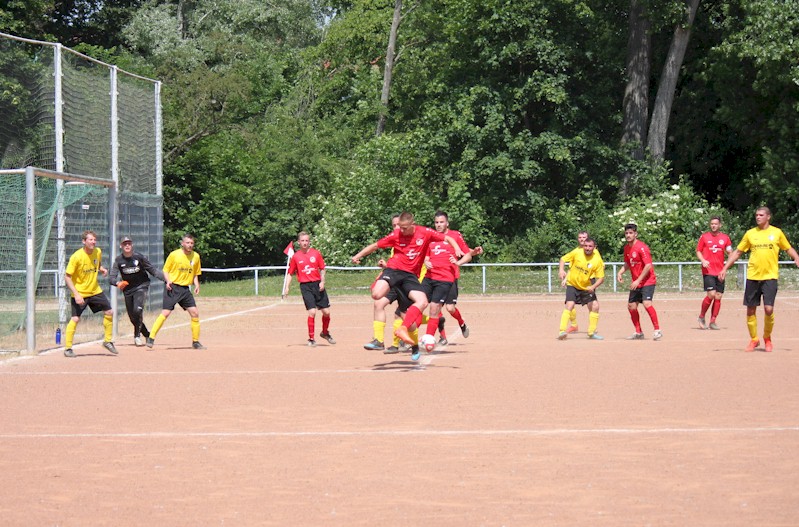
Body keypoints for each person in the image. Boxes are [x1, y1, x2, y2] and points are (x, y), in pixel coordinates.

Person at [352, 211, 463, 361]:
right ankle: (379, 340)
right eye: (398, 227)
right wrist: (358, 256)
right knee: (377, 296)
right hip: (394, 271)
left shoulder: (424, 232)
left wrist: (456, 248)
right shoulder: (396, 235)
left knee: (420, 303)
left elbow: (448, 237)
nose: (400, 230)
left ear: (412, 224)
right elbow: (375, 246)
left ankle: (411, 340)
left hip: (409, 277)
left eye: (404, 227)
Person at [719, 206, 799, 352]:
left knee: (768, 309)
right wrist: (725, 268)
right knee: (750, 310)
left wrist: (796, 257)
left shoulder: (776, 233)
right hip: (753, 277)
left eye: (761, 215)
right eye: (756, 215)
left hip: (770, 277)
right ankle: (754, 339)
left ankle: (767, 338)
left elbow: (788, 248)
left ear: (768, 217)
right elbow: (737, 252)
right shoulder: (750, 234)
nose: (758, 217)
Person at [146, 233, 206, 350]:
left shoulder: (196, 256)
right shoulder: (174, 255)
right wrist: (168, 281)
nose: (190, 245)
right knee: (166, 313)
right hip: (173, 287)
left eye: (192, 243)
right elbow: (166, 270)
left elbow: (195, 273)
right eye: (187, 243)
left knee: (195, 313)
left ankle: (196, 342)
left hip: (185, 289)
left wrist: (197, 284)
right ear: (182, 243)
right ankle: (151, 337)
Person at [63, 230, 117, 357]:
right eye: (90, 240)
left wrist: (102, 269)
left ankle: (108, 341)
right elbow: (67, 277)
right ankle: (68, 348)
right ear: (84, 241)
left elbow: (96, 265)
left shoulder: (97, 252)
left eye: (94, 240)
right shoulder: (76, 257)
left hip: (94, 290)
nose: (93, 242)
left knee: (109, 312)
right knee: (75, 319)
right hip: (80, 292)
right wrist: (76, 294)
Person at [431, 211, 482, 345]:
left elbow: (466, 253)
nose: (439, 225)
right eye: (436, 222)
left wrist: (469, 255)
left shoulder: (455, 235)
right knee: (436, 308)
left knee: (450, 308)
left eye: (441, 222)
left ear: (447, 223)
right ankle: (442, 337)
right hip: (436, 277)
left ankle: (461, 322)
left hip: (450, 277)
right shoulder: (431, 236)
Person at [109, 236, 166, 346]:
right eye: (124, 244)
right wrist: (118, 283)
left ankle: (137, 337)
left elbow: (153, 270)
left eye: (129, 243)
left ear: (132, 245)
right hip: (128, 290)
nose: (127, 245)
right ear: (121, 246)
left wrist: (166, 280)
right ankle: (147, 334)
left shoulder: (139, 257)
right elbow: (112, 278)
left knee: (137, 310)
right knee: (132, 317)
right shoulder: (118, 260)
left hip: (141, 286)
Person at [282, 232, 335, 347]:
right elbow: (290, 274)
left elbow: (322, 268)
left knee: (326, 312)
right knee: (312, 312)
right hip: (305, 286)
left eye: (307, 241)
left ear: (309, 241)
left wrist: (322, 281)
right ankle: (311, 338)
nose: (305, 243)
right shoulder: (296, 257)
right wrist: (287, 287)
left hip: (317, 285)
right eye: (303, 241)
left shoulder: (316, 254)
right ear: (299, 242)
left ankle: (325, 332)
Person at [617, 223, 662, 340]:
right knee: (631, 306)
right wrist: (620, 272)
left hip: (647, 281)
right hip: (636, 282)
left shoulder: (642, 247)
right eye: (626, 233)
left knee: (647, 304)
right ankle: (638, 332)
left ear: (635, 234)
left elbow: (648, 266)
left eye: (631, 233)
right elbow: (628, 263)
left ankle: (657, 330)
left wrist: (638, 280)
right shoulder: (627, 248)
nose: (628, 235)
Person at [557, 237, 605, 340]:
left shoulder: (597, 260)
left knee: (595, 306)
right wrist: (561, 270)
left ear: (594, 247)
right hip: (573, 284)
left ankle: (591, 332)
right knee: (569, 304)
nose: (587, 248)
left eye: (590, 246)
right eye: (585, 246)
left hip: (586, 286)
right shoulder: (577, 252)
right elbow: (563, 259)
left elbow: (601, 278)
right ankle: (562, 331)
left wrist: (593, 286)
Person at [695, 216, 733, 330]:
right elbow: (698, 251)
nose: (713, 226)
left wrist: (725, 268)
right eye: (712, 224)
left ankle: (713, 321)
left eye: (716, 224)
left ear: (720, 225)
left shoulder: (725, 238)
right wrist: (703, 260)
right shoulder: (704, 237)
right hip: (708, 271)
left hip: (720, 271)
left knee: (718, 296)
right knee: (711, 294)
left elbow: (730, 253)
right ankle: (701, 316)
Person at [565, 230, 593, 334]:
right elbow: (572, 268)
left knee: (591, 304)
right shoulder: (575, 252)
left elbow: (598, 264)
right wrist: (565, 278)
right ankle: (574, 325)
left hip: (588, 281)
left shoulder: (592, 251)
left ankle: (592, 327)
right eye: (580, 238)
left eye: (584, 237)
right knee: (569, 303)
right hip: (574, 282)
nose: (582, 239)